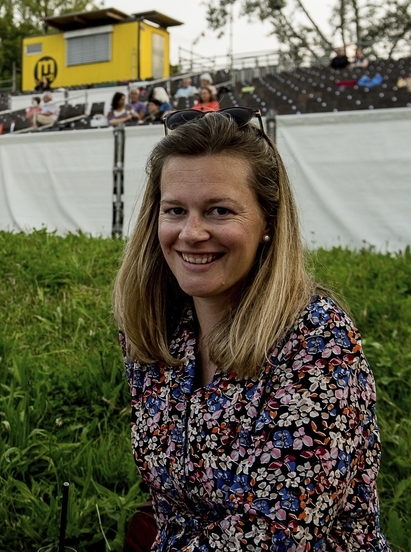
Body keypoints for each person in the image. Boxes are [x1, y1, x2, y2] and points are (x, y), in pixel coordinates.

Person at [113, 111, 389, 551]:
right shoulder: (154, 329)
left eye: (219, 210)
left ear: (268, 222)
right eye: (175, 210)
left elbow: (274, 536)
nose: (191, 232)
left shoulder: (316, 341)